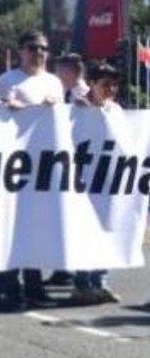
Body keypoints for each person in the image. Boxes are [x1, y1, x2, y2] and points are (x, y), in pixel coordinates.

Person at [0, 30, 64, 308]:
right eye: (33, 47)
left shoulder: (54, 82)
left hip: (43, 166)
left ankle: (35, 287)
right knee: (13, 227)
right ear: (21, 50)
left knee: (36, 227)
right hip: (13, 166)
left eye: (44, 48)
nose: (39, 53)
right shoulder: (7, 80)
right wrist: (11, 107)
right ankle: (12, 289)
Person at [70, 63, 123, 305]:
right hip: (83, 182)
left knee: (107, 230)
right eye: (105, 84)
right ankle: (81, 284)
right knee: (84, 232)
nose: (111, 89)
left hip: (109, 181)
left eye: (114, 84)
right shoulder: (77, 109)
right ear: (91, 84)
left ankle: (100, 281)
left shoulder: (117, 111)